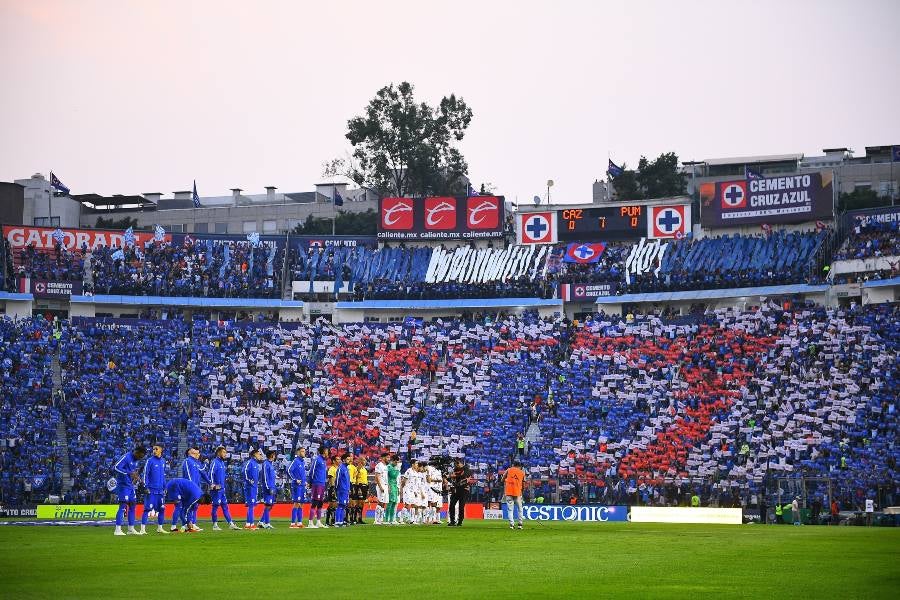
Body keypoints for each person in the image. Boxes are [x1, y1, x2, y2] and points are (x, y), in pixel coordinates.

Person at [112, 445, 146, 536]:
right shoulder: (126, 457)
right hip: (123, 486)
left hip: (130, 486)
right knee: (122, 506)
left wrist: (137, 478)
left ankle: (131, 529)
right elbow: (116, 467)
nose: (140, 458)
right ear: (136, 452)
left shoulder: (136, 460)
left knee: (132, 505)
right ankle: (117, 530)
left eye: (142, 457)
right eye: (140, 456)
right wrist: (129, 473)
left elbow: (132, 473)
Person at [209, 445, 240, 530]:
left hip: (222, 489)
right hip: (216, 490)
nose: (225, 454)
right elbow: (210, 474)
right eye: (224, 452)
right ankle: (215, 525)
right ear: (219, 453)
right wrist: (213, 485)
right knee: (215, 506)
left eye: (226, 452)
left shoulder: (222, 463)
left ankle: (231, 524)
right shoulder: (215, 462)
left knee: (225, 506)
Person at [180, 446, 211, 531]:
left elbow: (203, 473)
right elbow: (188, 475)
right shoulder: (187, 461)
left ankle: (193, 524)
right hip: (190, 488)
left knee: (194, 506)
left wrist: (210, 483)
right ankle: (186, 525)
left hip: (197, 488)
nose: (197, 454)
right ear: (190, 453)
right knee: (188, 507)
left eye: (198, 453)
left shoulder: (197, 463)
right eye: (195, 453)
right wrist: (191, 486)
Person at [140, 444, 167, 534]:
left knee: (162, 509)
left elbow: (163, 476)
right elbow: (145, 474)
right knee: (147, 509)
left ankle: (160, 528)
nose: (154, 450)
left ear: (161, 450)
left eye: (156, 449)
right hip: (151, 490)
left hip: (160, 491)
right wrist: (145, 486)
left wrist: (165, 487)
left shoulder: (163, 461)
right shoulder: (150, 461)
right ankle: (142, 529)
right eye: (153, 449)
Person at [501, 459, 525, 530]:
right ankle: (520, 525)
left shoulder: (508, 470)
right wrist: (521, 491)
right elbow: (523, 483)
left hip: (509, 492)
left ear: (513, 465)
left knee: (510, 509)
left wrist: (507, 480)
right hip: (517, 493)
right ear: (519, 466)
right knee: (520, 509)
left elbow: (502, 480)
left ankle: (511, 525)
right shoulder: (522, 472)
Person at [308, 446, 328, 528]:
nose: (328, 453)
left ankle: (318, 522)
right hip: (317, 483)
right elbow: (312, 471)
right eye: (326, 451)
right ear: (323, 451)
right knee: (315, 502)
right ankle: (310, 522)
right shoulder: (317, 459)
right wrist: (310, 481)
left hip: (322, 483)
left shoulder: (323, 461)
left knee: (320, 503)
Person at [448, 458, 472, 527]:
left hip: (464, 490)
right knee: (452, 505)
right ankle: (452, 521)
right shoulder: (455, 470)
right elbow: (452, 478)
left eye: (457, 463)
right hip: (456, 490)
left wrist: (454, 476)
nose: (456, 465)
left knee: (461, 507)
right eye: (455, 463)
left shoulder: (467, 469)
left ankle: (460, 521)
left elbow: (465, 477)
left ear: (461, 463)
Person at [288, 447, 308, 529]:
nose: (304, 453)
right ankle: (292, 523)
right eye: (302, 451)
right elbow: (289, 470)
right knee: (296, 503)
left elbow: (302, 474)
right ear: (298, 452)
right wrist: (295, 479)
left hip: (302, 485)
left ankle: (299, 523)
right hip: (297, 486)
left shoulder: (302, 462)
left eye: (304, 451)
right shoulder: (295, 461)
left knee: (301, 504)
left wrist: (305, 481)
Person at [243, 447, 263, 530]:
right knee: (251, 505)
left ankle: (249, 524)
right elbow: (244, 471)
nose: (260, 456)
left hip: (254, 487)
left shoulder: (256, 464)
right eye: (259, 454)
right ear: (255, 454)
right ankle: (250, 524)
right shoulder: (250, 462)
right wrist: (249, 480)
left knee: (252, 506)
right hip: (250, 487)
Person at [259, 450, 278, 529]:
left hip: (272, 487)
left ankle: (261, 521)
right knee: (268, 505)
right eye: (274, 455)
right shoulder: (266, 464)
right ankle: (267, 523)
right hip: (268, 488)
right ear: (272, 455)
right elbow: (265, 477)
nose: (275, 456)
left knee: (271, 505)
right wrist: (268, 487)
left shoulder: (270, 464)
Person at [334, 453, 352, 527]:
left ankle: (341, 522)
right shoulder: (341, 468)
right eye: (348, 459)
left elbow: (347, 480)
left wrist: (349, 489)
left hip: (346, 490)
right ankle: (337, 522)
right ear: (343, 460)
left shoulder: (346, 469)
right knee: (340, 506)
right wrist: (336, 489)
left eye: (349, 459)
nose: (349, 461)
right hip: (341, 490)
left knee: (343, 506)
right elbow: (337, 480)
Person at [425, 459, 444, 525]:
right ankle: (427, 519)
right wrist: (438, 480)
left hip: (438, 490)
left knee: (435, 504)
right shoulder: (429, 469)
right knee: (429, 504)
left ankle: (434, 519)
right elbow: (429, 480)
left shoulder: (438, 471)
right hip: (431, 489)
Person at [373, 452, 389, 525]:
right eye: (387, 457)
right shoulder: (379, 465)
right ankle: (376, 520)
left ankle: (381, 519)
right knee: (380, 502)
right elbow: (377, 476)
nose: (389, 459)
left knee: (384, 503)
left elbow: (385, 477)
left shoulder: (385, 466)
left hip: (385, 485)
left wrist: (388, 486)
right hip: (381, 485)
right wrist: (380, 486)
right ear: (383, 458)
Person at [385, 454, 401, 525]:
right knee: (390, 502)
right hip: (390, 485)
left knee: (394, 503)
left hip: (395, 486)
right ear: (393, 461)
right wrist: (398, 469)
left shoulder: (395, 467)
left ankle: (392, 520)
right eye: (396, 462)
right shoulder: (389, 467)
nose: (397, 463)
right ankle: (386, 519)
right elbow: (393, 476)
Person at [353, 455, 368, 525]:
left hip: (365, 486)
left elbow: (365, 479)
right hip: (359, 486)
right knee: (358, 503)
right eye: (364, 460)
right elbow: (355, 477)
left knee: (362, 503)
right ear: (361, 461)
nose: (365, 461)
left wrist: (367, 488)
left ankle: (360, 518)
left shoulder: (364, 469)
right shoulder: (357, 468)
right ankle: (355, 518)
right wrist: (358, 488)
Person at [325, 455, 339, 527]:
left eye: (339, 459)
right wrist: (333, 488)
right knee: (332, 505)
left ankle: (332, 521)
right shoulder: (332, 469)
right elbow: (331, 479)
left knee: (335, 505)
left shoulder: (338, 468)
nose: (339, 460)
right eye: (337, 459)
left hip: (337, 488)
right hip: (332, 488)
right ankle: (328, 521)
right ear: (333, 461)